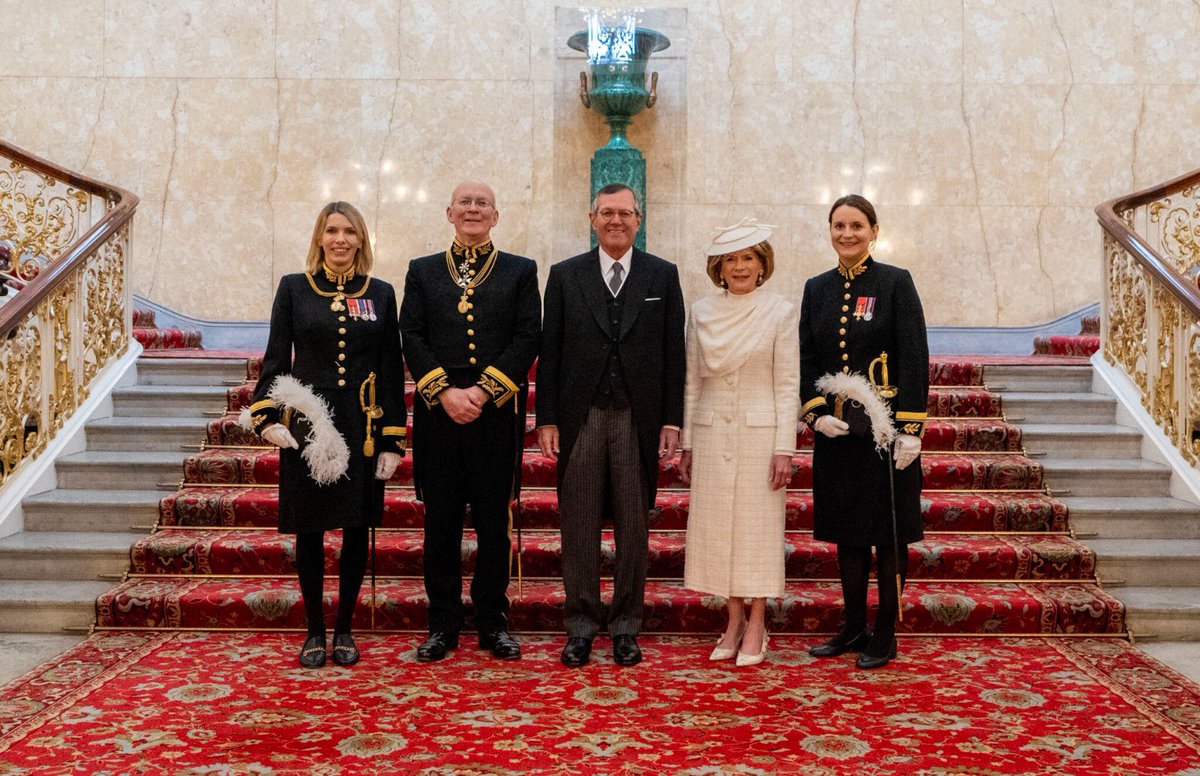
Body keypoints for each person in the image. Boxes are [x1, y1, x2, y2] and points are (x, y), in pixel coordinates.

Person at [248, 201, 406, 668]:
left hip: (361, 425)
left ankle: (345, 630)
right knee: (311, 528)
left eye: (349, 232)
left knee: (356, 528)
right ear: (320, 237)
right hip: (308, 425)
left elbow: (390, 370)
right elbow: (276, 358)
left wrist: (393, 440)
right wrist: (268, 419)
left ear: (361, 240)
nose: (340, 240)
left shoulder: (380, 293)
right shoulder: (294, 288)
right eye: (332, 231)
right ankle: (315, 629)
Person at [537, 183, 686, 668]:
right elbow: (551, 351)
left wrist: (671, 420)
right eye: (607, 213)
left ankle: (625, 626)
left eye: (625, 213)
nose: (616, 220)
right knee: (578, 525)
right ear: (592, 218)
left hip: (637, 419)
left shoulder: (663, 274)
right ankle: (580, 626)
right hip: (581, 417)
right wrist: (548, 418)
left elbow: (674, 354)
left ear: (638, 220)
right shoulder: (565, 275)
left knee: (632, 528)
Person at [400, 181, 541, 662]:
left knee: (493, 525)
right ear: (450, 212)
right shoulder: (422, 270)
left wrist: (482, 392)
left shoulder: (521, 270)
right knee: (440, 524)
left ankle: (492, 623)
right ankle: (442, 625)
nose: (474, 209)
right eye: (466, 202)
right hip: (439, 415)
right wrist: (444, 392)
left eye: (483, 203)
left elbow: (528, 336)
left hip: (495, 415)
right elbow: (411, 335)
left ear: (496, 216)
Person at [800, 194, 928, 670]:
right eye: (839, 225)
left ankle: (886, 631)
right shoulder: (817, 288)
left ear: (874, 230)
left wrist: (910, 429)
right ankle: (854, 625)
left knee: (889, 537)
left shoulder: (895, 282)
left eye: (856, 225)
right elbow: (806, 358)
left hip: (886, 436)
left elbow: (913, 355)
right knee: (848, 534)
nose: (847, 234)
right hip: (838, 434)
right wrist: (815, 413)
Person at [678, 218, 799, 667]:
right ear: (719, 267)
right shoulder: (701, 311)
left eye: (748, 257)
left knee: (756, 531)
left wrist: (785, 447)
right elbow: (692, 381)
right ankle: (731, 622)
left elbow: (787, 384)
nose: (740, 266)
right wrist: (688, 442)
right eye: (731, 259)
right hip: (711, 435)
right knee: (719, 533)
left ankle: (757, 623)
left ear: (762, 263)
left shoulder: (780, 311)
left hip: (760, 438)